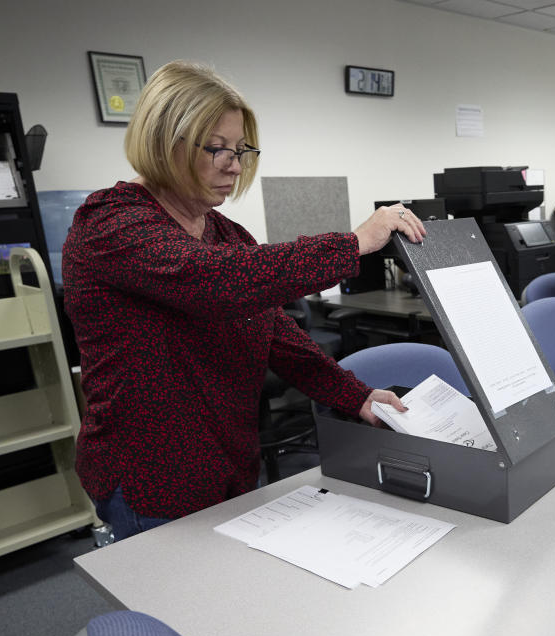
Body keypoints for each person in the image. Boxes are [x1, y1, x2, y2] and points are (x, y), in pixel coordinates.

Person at [62, 60, 426, 541]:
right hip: (152, 475)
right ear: (162, 142)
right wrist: (353, 244)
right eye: (215, 149)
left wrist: (355, 396)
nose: (233, 165)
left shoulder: (226, 234)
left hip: (229, 459)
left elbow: (278, 336)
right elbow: (213, 283)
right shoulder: (112, 223)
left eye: (240, 150)